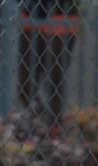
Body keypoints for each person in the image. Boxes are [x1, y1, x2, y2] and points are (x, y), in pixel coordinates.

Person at [18, 0, 79, 130]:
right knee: (24, 82)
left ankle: (54, 129)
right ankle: (38, 120)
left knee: (54, 81)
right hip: (32, 13)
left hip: (62, 15)